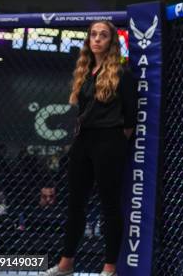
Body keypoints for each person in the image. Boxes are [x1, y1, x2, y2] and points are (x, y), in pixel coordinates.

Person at [41, 21, 136, 276]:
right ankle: (66, 264)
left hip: (110, 141)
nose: (97, 39)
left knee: (109, 205)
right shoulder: (85, 70)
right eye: (93, 35)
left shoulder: (122, 72)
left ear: (111, 41)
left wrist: (113, 141)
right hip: (84, 141)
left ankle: (109, 268)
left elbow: (130, 118)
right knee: (75, 203)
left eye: (103, 35)